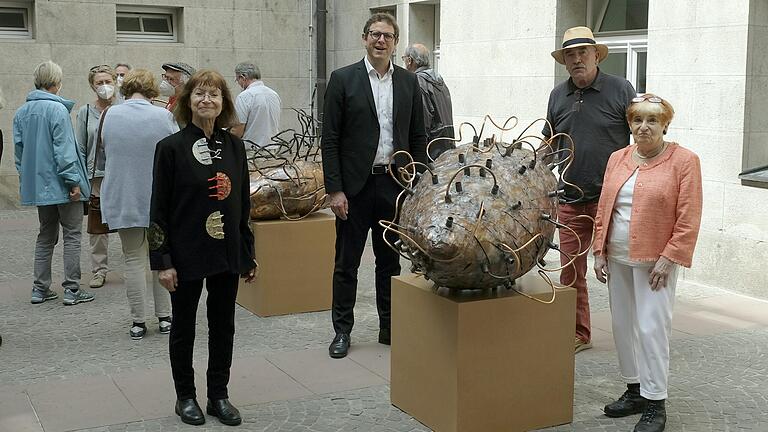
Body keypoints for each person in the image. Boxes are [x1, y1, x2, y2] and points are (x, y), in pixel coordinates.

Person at [149, 69, 257, 426]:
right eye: (200, 94)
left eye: (214, 94)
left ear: (224, 103)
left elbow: (243, 204)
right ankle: (185, 397)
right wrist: (162, 261)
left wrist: (247, 251)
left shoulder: (235, 146)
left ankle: (218, 395)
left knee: (223, 325)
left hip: (227, 253)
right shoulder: (170, 149)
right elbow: (158, 209)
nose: (207, 100)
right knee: (184, 327)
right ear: (188, 101)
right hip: (185, 254)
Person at [593, 94, 702, 432]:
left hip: (656, 263)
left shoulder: (684, 161)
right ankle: (635, 390)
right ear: (629, 124)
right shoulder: (618, 158)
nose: (644, 127)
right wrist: (599, 250)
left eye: (652, 120)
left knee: (652, 329)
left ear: (665, 124)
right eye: (637, 120)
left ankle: (656, 404)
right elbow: (604, 206)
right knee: (623, 326)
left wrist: (670, 258)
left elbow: (689, 216)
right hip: (618, 258)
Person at [321, 12, 427, 359]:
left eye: (388, 36)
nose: (381, 41)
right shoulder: (343, 79)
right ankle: (342, 331)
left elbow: (417, 135)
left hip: (394, 185)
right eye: (375, 34)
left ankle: (389, 326)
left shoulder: (410, 83)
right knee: (346, 262)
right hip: (355, 187)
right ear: (364, 39)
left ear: (396, 43)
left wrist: (416, 182)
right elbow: (331, 138)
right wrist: (335, 189)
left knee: (390, 262)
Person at [542, 26, 636, 353]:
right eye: (571, 54)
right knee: (570, 272)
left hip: (613, 200)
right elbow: (550, 145)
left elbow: (641, 135)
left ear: (596, 55)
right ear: (564, 61)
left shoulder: (620, 89)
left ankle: (634, 333)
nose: (577, 58)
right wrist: (527, 167)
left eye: (583, 52)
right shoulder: (557, 96)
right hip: (569, 199)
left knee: (623, 271)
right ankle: (579, 332)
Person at [100, 69, 179, 340]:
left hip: (124, 196)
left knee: (132, 258)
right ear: (152, 90)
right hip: (159, 198)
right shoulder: (164, 116)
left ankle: (137, 321)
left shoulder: (109, 115)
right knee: (161, 258)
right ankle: (165, 317)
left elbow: (103, 149)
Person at [13, 60, 94, 306]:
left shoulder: (21, 112)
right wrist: (74, 182)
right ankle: (72, 289)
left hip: (40, 186)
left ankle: (40, 288)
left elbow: (19, 154)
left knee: (45, 236)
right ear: (57, 83)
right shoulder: (58, 111)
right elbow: (65, 151)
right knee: (72, 235)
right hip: (63, 184)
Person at [75, 65, 118, 289]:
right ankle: (99, 270)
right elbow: (81, 147)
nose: (104, 86)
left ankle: (136, 264)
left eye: (108, 81)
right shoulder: (85, 112)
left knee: (130, 221)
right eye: (99, 82)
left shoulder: (123, 109)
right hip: (97, 176)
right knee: (98, 227)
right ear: (92, 85)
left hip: (121, 174)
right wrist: (82, 179)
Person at [402, 43, 454, 160]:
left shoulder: (419, 82)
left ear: (409, 60)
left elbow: (422, 120)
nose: (404, 62)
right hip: (446, 143)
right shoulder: (438, 80)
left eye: (404, 59)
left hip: (431, 149)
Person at [231, 62, 281, 149]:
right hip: (273, 149)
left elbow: (238, 128)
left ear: (243, 77)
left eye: (237, 80)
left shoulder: (244, 96)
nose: (238, 83)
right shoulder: (274, 94)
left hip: (253, 152)